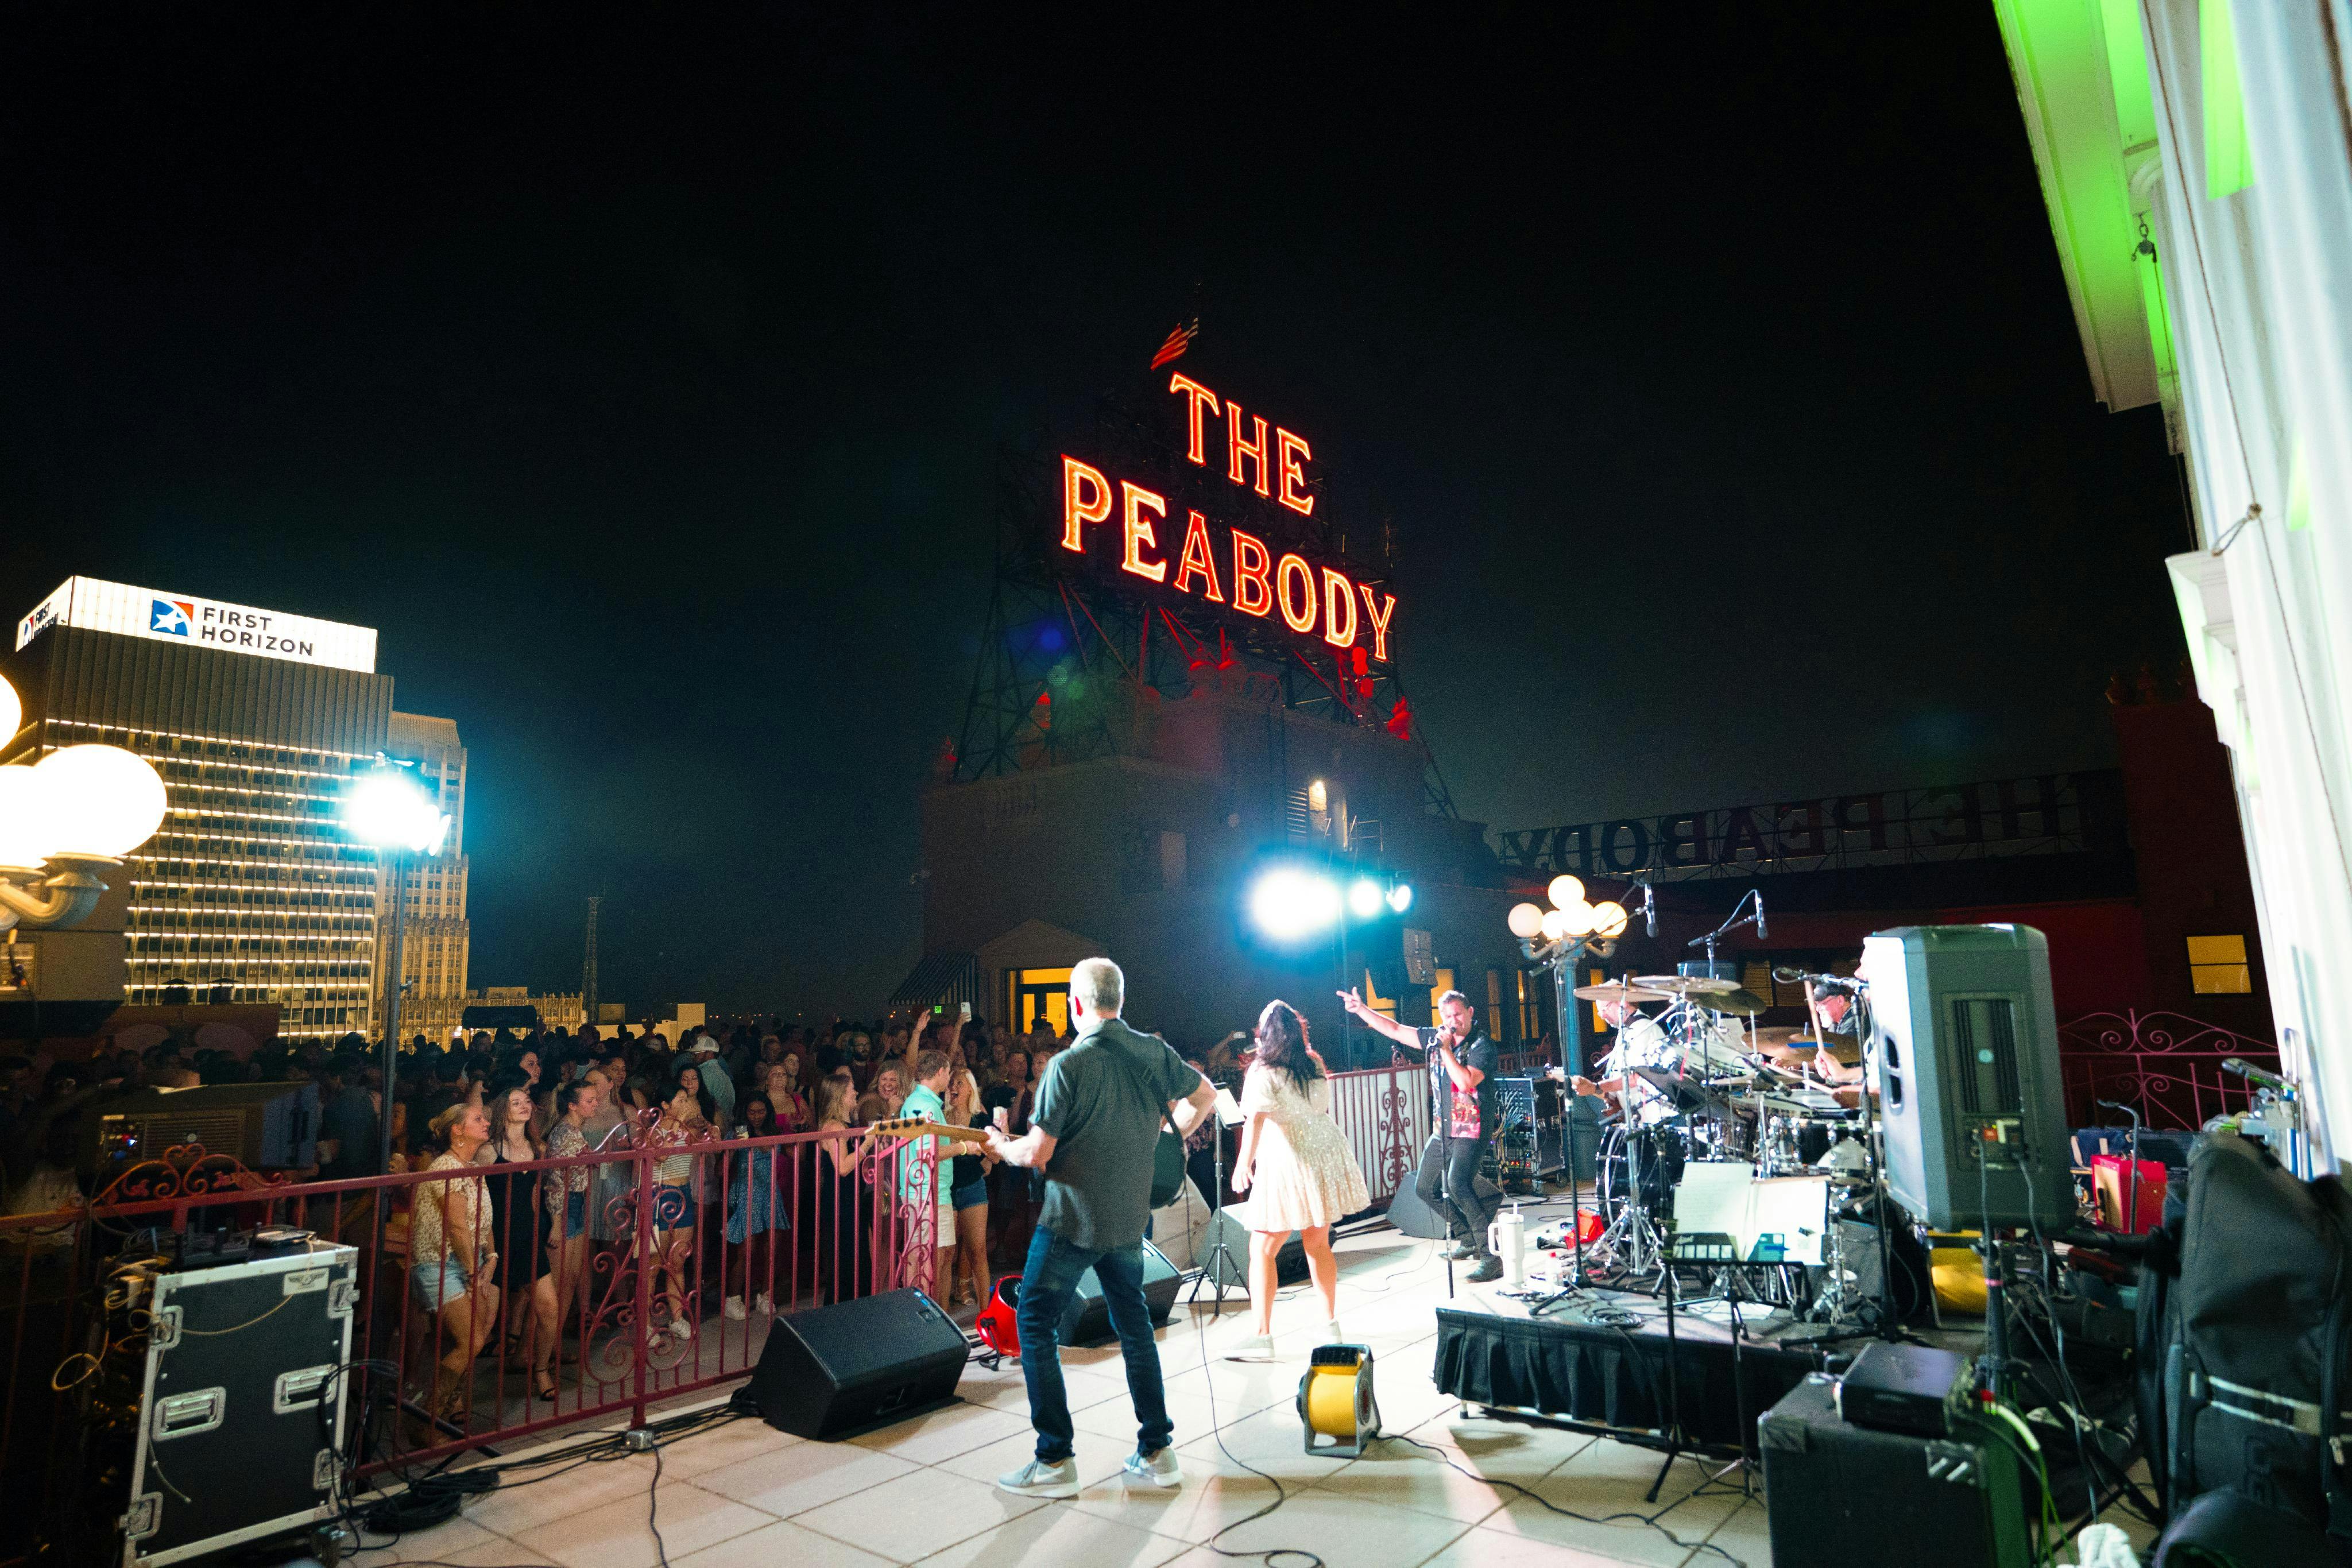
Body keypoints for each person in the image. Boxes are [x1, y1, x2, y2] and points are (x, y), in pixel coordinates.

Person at [986, 957, 1217, 1500]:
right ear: (1120, 1000)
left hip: (1071, 1217)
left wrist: (999, 1144)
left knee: (1036, 1322)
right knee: (1134, 1324)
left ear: (1075, 1003)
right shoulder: (1153, 1050)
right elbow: (1205, 1094)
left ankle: (1054, 1458)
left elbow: (1037, 1153)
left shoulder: (1068, 1065)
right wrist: (1167, 1135)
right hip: (1128, 1219)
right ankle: (1158, 1450)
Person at [1230, 1001, 1369, 1356]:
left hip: (1290, 1155)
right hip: (1324, 1148)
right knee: (1317, 1243)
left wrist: (1243, 1163)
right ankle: (1330, 1327)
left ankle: (1262, 1338)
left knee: (1262, 1248)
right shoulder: (1313, 1063)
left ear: (1266, 1033)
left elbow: (1256, 1121)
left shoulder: (1263, 1071)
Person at [1339, 985, 1504, 1281]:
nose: (1454, 1021)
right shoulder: (1434, 1036)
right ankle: (1466, 1238)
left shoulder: (1483, 1046)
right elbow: (1393, 1029)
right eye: (1448, 1016)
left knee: (1458, 1183)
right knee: (1424, 1187)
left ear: (1470, 1013)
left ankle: (1490, 1256)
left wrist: (1446, 1050)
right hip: (1444, 1128)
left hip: (1472, 1127)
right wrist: (1362, 1010)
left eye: (1458, 1014)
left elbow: (1465, 1082)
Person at [413, 1102, 500, 1419]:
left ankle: (448, 1409)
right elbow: (457, 1227)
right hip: (439, 1263)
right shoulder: (447, 1168)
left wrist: (491, 1256)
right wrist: (476, 1270)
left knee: (472, 1339)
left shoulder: (472, 1167)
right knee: (472, 1339)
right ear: (458, 1130)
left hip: (466, 1260)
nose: (486, 1122)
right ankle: (427, 1416)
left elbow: (485, 1220)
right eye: (478, 1119)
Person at [479, 1081, 561, 1401]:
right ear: (504, 1111)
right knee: (483, 1324)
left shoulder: (537, 1148)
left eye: (527, 1101)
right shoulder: (488, 1151)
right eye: (516, 1103)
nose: (525, 1105)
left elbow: (541, 1193)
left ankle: (541, 1370)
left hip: (528, 1236)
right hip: (496, 1241)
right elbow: (477, 1199)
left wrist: (551, 1225)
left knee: (550, 1311)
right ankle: (458, 1391)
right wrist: (484, 1247)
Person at [894, 1050, 959, 1304]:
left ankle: (933, 1317)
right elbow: (927, 1152)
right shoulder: (926, 1105)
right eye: (948, 1073)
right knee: (928, 1259)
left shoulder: (919, 1102)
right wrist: (964, 1147)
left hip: (927, 1191)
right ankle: (926, 1319)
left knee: (937, 1256)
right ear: (941, 1072)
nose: (949, 1080)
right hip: (926, 1193)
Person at [724, 1093, 788, 1318]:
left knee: (772, 1250)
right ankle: (733, 1300)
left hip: (771, 1193)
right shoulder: (738, 1133)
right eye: (753, 1111)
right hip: (747, 1192)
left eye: (762, 1111)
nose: (758, 1116)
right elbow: (726, 1165)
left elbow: (792, 1155)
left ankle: (766, 1296)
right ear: (745, 1112)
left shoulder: (774, 1131)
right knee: (746, 1251)